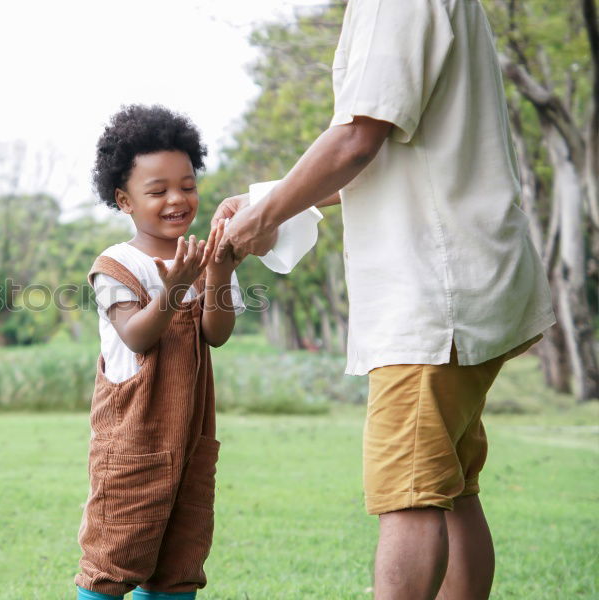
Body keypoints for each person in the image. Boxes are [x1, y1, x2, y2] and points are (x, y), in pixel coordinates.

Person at [212, 1, 555, 599]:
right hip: (460, 281)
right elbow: (392, 151)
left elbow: (357, 140)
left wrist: (257, 221)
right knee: (452, 489)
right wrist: (265, 202)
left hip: (431, 296)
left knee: (411, 495)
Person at [75, 104, 244, 600]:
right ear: (124, 200)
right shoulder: (115, 265)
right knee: (113, 558)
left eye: (187, 186)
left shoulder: (200, 256)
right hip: (132, 442)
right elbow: (137, 336)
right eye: (158, 191)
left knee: (180, 562)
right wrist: (173, 289)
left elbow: (217, 333)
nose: (177, 199)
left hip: (192, 440)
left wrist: (219, 273)